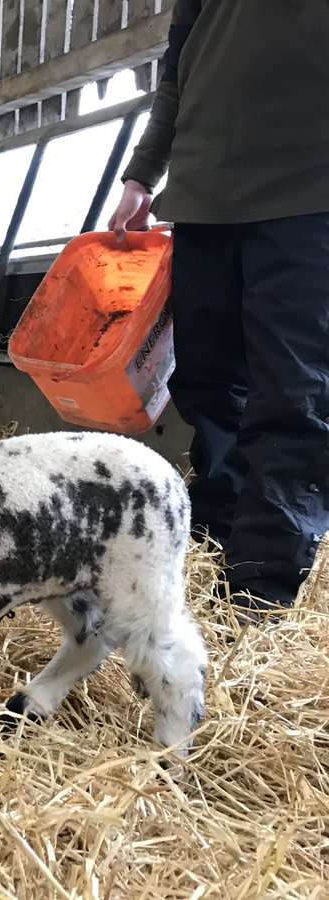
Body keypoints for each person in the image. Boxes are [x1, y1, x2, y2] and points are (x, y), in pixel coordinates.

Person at [108, 0, 329, 618]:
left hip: (311, 192)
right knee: (206, 383)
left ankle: (256, 592)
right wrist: (143, 172)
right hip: (204, 196)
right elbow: (178, 68)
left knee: (295, 395)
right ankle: (216, 535)